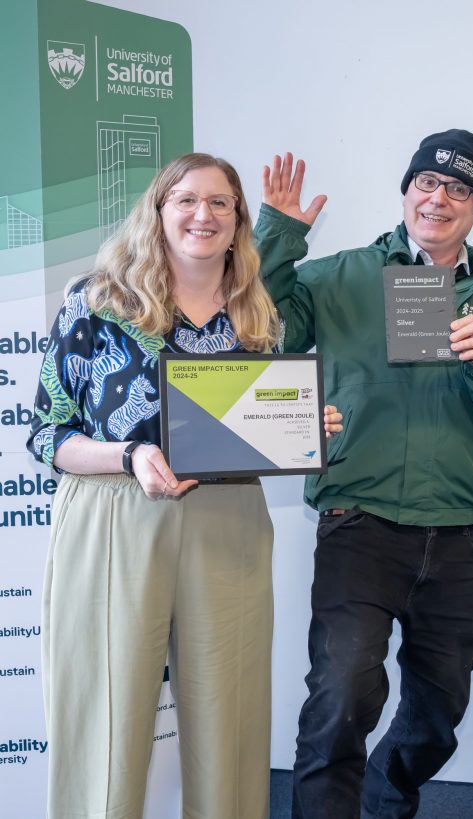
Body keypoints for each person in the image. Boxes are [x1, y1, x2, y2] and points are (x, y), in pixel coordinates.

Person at [27, 152, 341, 818]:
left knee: (230, 716)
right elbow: (48, 435)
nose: (203, 214)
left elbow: (258, 424)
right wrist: (129, 455)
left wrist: (301, 427)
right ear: (158, 211)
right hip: (115, 514)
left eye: (220, 202)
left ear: (238, 220)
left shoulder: (257, 313)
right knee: (104, 715)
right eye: (187, 200)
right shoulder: (98, 300)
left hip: (229, 514)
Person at [254, 132, 473, 818]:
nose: (438, 198)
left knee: (440, 710)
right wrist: (278, 237)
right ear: (406, 193)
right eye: (426, 183)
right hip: (357, 524)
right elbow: (265, 333)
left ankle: (385, 797)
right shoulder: (341, 275)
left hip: (455, 534)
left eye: (459, 190)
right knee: (342, 696)